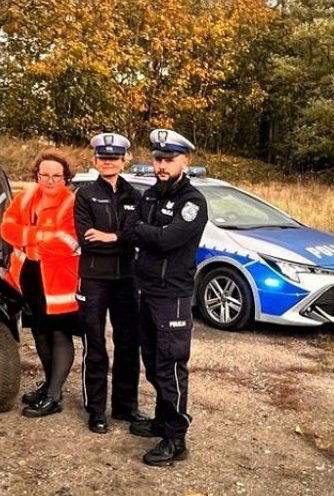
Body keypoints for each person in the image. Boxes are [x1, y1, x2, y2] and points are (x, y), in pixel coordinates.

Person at [116, 129, 208, 466]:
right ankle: (161, 419)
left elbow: (169, 240)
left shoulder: (193, 202)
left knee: (170, 366)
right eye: (157, 159)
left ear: (185, 161)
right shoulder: (151, 195)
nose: (162, 165)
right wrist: (148, 233)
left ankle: (175, 438)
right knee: (153, 363)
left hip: (173, 296)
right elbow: (129, 229)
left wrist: (145, 232)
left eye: (169, 159)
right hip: (147, 290)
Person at [0, 149, 81, 417]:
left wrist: (29, 240)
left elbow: (66, 243)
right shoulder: (24, 198)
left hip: (58, 282)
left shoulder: (71, 204)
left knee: (59, 334)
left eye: (56, 176)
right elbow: (7, 229)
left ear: (65, 177)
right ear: (36, 174)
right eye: (44, 174)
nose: (49, 180)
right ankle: (49, 385)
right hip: (29, 279)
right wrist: (39, 236)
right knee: (40, 334)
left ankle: (55, 396)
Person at [74, 133, 145, 434]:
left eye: (114, 158)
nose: (108, 163)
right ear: (95, 161)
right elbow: (86, 240)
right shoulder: (86, 194)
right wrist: (120, 239)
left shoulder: (134, 196)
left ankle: (126, 406)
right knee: (96, 344)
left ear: (124, 160)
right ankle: (95, 410)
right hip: (93, 278)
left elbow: (137, 236)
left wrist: (111, 237)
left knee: (128, 344)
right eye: (103, 158)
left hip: (126, 279)